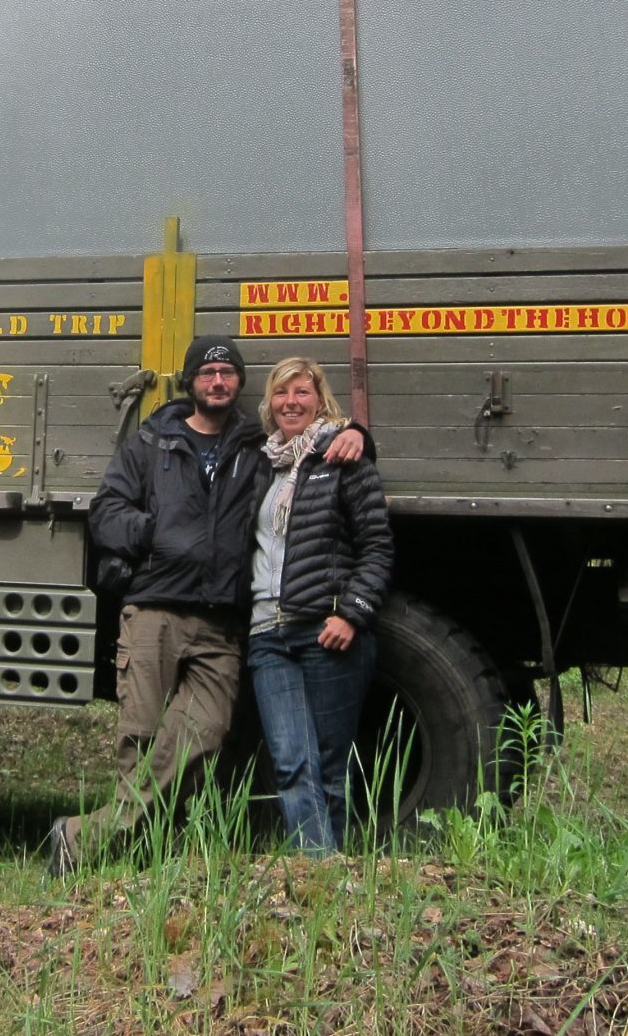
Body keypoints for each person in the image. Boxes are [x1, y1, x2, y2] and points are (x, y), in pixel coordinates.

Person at [47, 336, 362, 875]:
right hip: (155, 611)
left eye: (227, 373)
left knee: (205, 734)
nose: (218, 382)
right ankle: (137, 858)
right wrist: (157, 533)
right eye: (208, 373)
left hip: (221, 621)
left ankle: (83, 838)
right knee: (141, 735)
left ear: (239, 383)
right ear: (190, 381)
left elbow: (312, 446)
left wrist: (358, 434)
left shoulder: (258, 447)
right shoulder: (152, 443)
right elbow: (106, 513)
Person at [245, 356, 392, 854]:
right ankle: (321, 869)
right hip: (266, 634)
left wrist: (352, 613)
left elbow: (377, 546)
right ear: (270, 403)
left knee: (330, 765)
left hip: (323, 632)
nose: (291, 402)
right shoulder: (261, 465)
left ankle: (323, 872)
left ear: (319, 399)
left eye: (302, 392)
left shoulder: (342, 458)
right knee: (291, 761)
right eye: (282, 393)